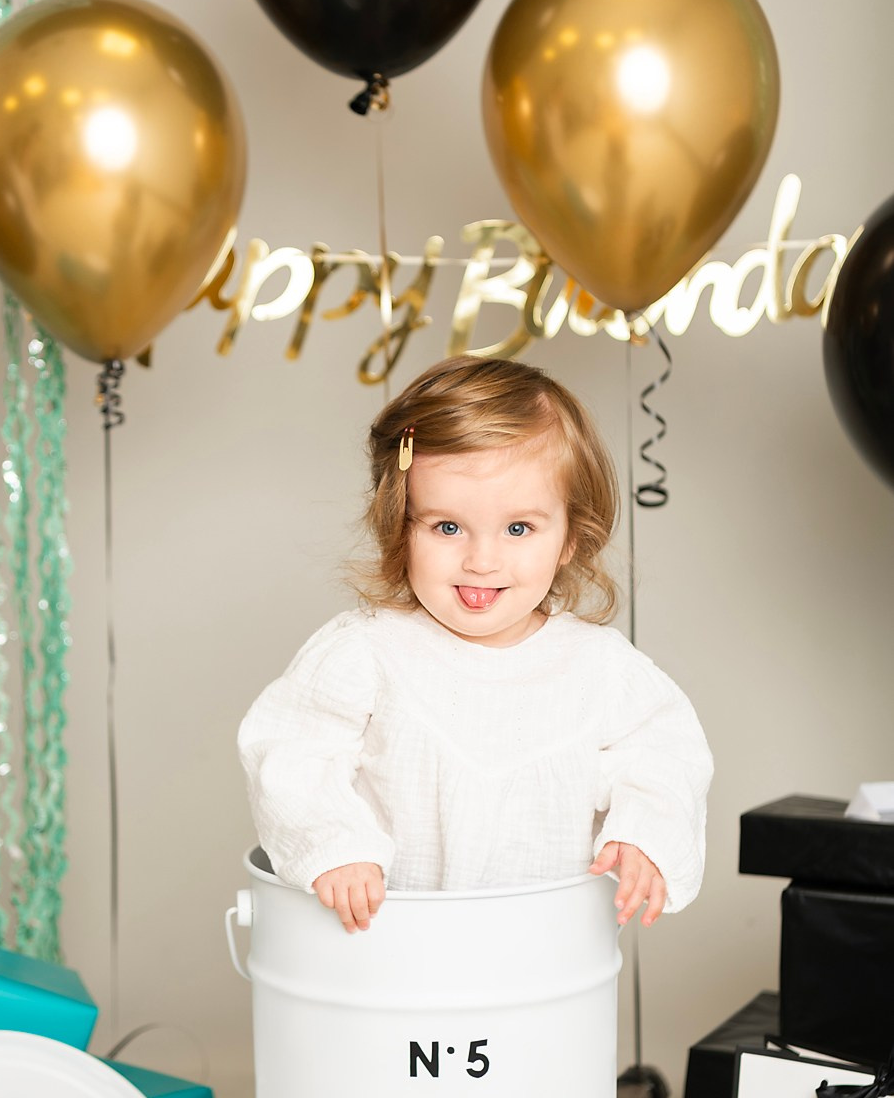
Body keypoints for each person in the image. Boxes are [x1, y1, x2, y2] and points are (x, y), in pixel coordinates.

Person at [238, 356, 713, 934]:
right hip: (384, 947)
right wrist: (334, 846)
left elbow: (665, 757)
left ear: (570, 536)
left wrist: (644, 836)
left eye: (518, 528)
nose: (482, 560)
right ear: (400, 526)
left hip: (544, 947)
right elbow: (291, 751)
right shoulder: (366, 652)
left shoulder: (600, 668)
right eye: (447, 527)